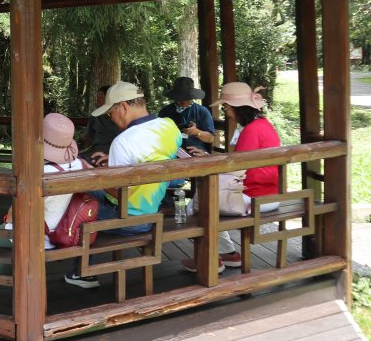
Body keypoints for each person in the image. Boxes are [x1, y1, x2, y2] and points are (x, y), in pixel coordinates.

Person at [0, 113, 82, 310]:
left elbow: (19, 209)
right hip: (61, 231)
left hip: (36, 236)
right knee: (13, 243)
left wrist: (10, 215)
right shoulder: (77, 164)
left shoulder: (40, 173)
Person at [66, 81, 182, 289]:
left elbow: (116, 191)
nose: (110, 117)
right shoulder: (169, 127)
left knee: (77, 197)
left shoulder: (123, 140)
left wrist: (95, 174)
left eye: (111, 112)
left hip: (126, 218)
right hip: (152, 211)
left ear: (123, 107)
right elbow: (150, 158)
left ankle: (80, 270)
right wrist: (112, 160)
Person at [182, 82, 281, 273]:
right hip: (268, 193)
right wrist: (211, 158)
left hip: (254, 196)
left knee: (194, 207)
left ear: (237, 108)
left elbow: (236, 169)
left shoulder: (250, 130)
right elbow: (237, 163)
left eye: (226, 107)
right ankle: (227, 253)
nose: (225, 112)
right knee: (205, 201)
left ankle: (210, 259)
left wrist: (210, 162)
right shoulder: (262, 125)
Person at [158, 77, 215, 153]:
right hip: (172, 154)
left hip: (197, 154)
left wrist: (196, 132)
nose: (183, 100)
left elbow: (210, 138)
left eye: (186, 97)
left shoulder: (202, 111)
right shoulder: (165, 111)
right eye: (180, 98)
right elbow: (159, 136)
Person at [80, 84, 120, 158]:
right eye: (97, 99)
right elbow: (88, 137)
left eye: (100, 98)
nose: (97, 102)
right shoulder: (95, 116)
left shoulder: (121, 116)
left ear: (109, 99)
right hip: (95, 151)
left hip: (114, 153)